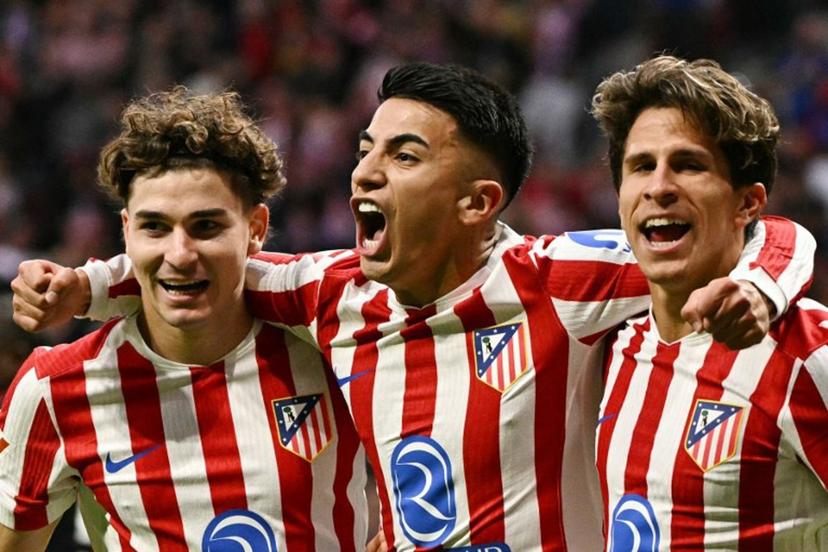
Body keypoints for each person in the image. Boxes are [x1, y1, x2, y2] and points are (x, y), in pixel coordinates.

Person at [10, 64, 815, 550]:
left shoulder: (557, 282)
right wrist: (85, 285)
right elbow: (206, 262)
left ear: (478, 203)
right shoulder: (333, 295)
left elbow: (752, 231)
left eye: (404, 155)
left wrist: (761, 285)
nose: (365, 173)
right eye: (365, 150)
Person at [0, 87, 368, 550]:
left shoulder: (327, 344)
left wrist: (93, 285)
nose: (180, 254)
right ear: (126, 232)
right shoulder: (53, 390)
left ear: (255, 230)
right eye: (155, 226)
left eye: (206, 227)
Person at [592, 55, 828, 550]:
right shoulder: (607, 346)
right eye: (641, 167)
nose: (658, 187)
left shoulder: (808, 356)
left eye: (689, 165)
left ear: (748, 204)